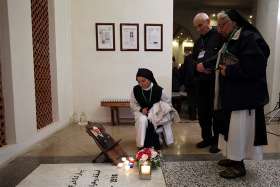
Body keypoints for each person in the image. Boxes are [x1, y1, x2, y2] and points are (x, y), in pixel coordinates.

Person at [215, 9, 269, 179]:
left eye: (222, 25)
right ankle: (233, 158)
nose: (220, 29)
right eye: (219, 25)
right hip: (233, 94)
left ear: (234, 23)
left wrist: (229, 71)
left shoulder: (248, 37)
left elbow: (255, 67)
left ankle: (239, 165)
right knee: (230, 129)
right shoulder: (232, 38)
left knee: (239, 129)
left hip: (245, 97)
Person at [192, 12, 224, 153]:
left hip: (214, 81)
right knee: (203, 113)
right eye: (196, 27)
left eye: (200, 25)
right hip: (201, 82)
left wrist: (207, 66)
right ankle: (207, 138)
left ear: (208, 21)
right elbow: (192, 59)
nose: (198, 29)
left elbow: (221, 56)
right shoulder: (199, 42)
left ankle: (216, 142)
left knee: (215, 113)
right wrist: (197, 67)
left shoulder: (219, 37)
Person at [130, 68, 175, 150]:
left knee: (152, 119)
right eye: (138, 81)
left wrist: (158, 109)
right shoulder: (135, 90)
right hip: (141, 112)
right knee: (142, 120)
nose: (140, 84)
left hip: (156, 113)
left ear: (150, 79)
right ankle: (141, 144)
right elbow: (133, 104)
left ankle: (157, 141)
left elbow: (168, 103)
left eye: (143, 81)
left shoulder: (159, 90)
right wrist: (141, 109)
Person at [179, 53, 197, 120]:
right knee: (195, 100)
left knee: (191, 100)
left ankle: (192, 116)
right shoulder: (200, 55)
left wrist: (183, 82)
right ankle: (195, 116)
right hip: (197, 81)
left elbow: (184, 70)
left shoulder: (188, 58)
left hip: (189, 82)